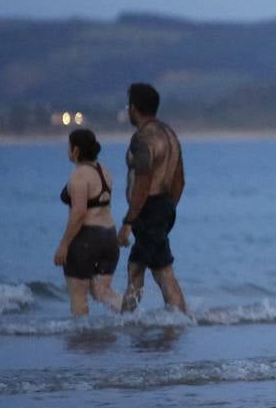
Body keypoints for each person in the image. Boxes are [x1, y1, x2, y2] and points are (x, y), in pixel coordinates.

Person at [119, 82, 188, 313]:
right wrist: (168, 210)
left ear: (134, 108)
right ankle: (180, 318)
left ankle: (125, 321)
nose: (128, 109)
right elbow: (179, 180)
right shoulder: (169, 135)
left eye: (129, 105)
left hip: (148, 209)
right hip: (163, 207)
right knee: (161, 269)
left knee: (137, 267)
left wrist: (128, 222)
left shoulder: (142, 138)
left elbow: (142, 182)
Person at [53, 128, 122, 315]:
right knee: (102, 292)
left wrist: (64, 244)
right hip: (109, 238)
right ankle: (133, 316)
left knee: (78, 296)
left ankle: (81, 339)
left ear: (75, 150)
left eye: (68, 147)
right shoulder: (104, 172)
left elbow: (79, 213)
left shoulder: (78, 176)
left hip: (87, 239)